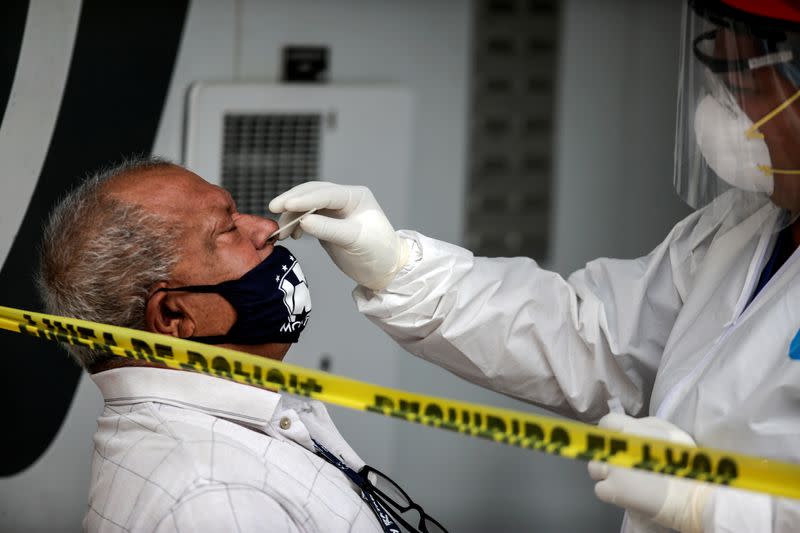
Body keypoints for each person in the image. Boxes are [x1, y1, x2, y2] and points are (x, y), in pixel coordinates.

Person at [269, 2, 800, 532]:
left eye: (744, 87)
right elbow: (590, 339)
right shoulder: (745, 225)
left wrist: (713, 511)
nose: (721, 113)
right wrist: (399, 268)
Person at [37, 158, 445, 533]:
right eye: (227, 228)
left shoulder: (218, 448)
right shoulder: (212, 498)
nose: (265, 228)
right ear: (174, 318)